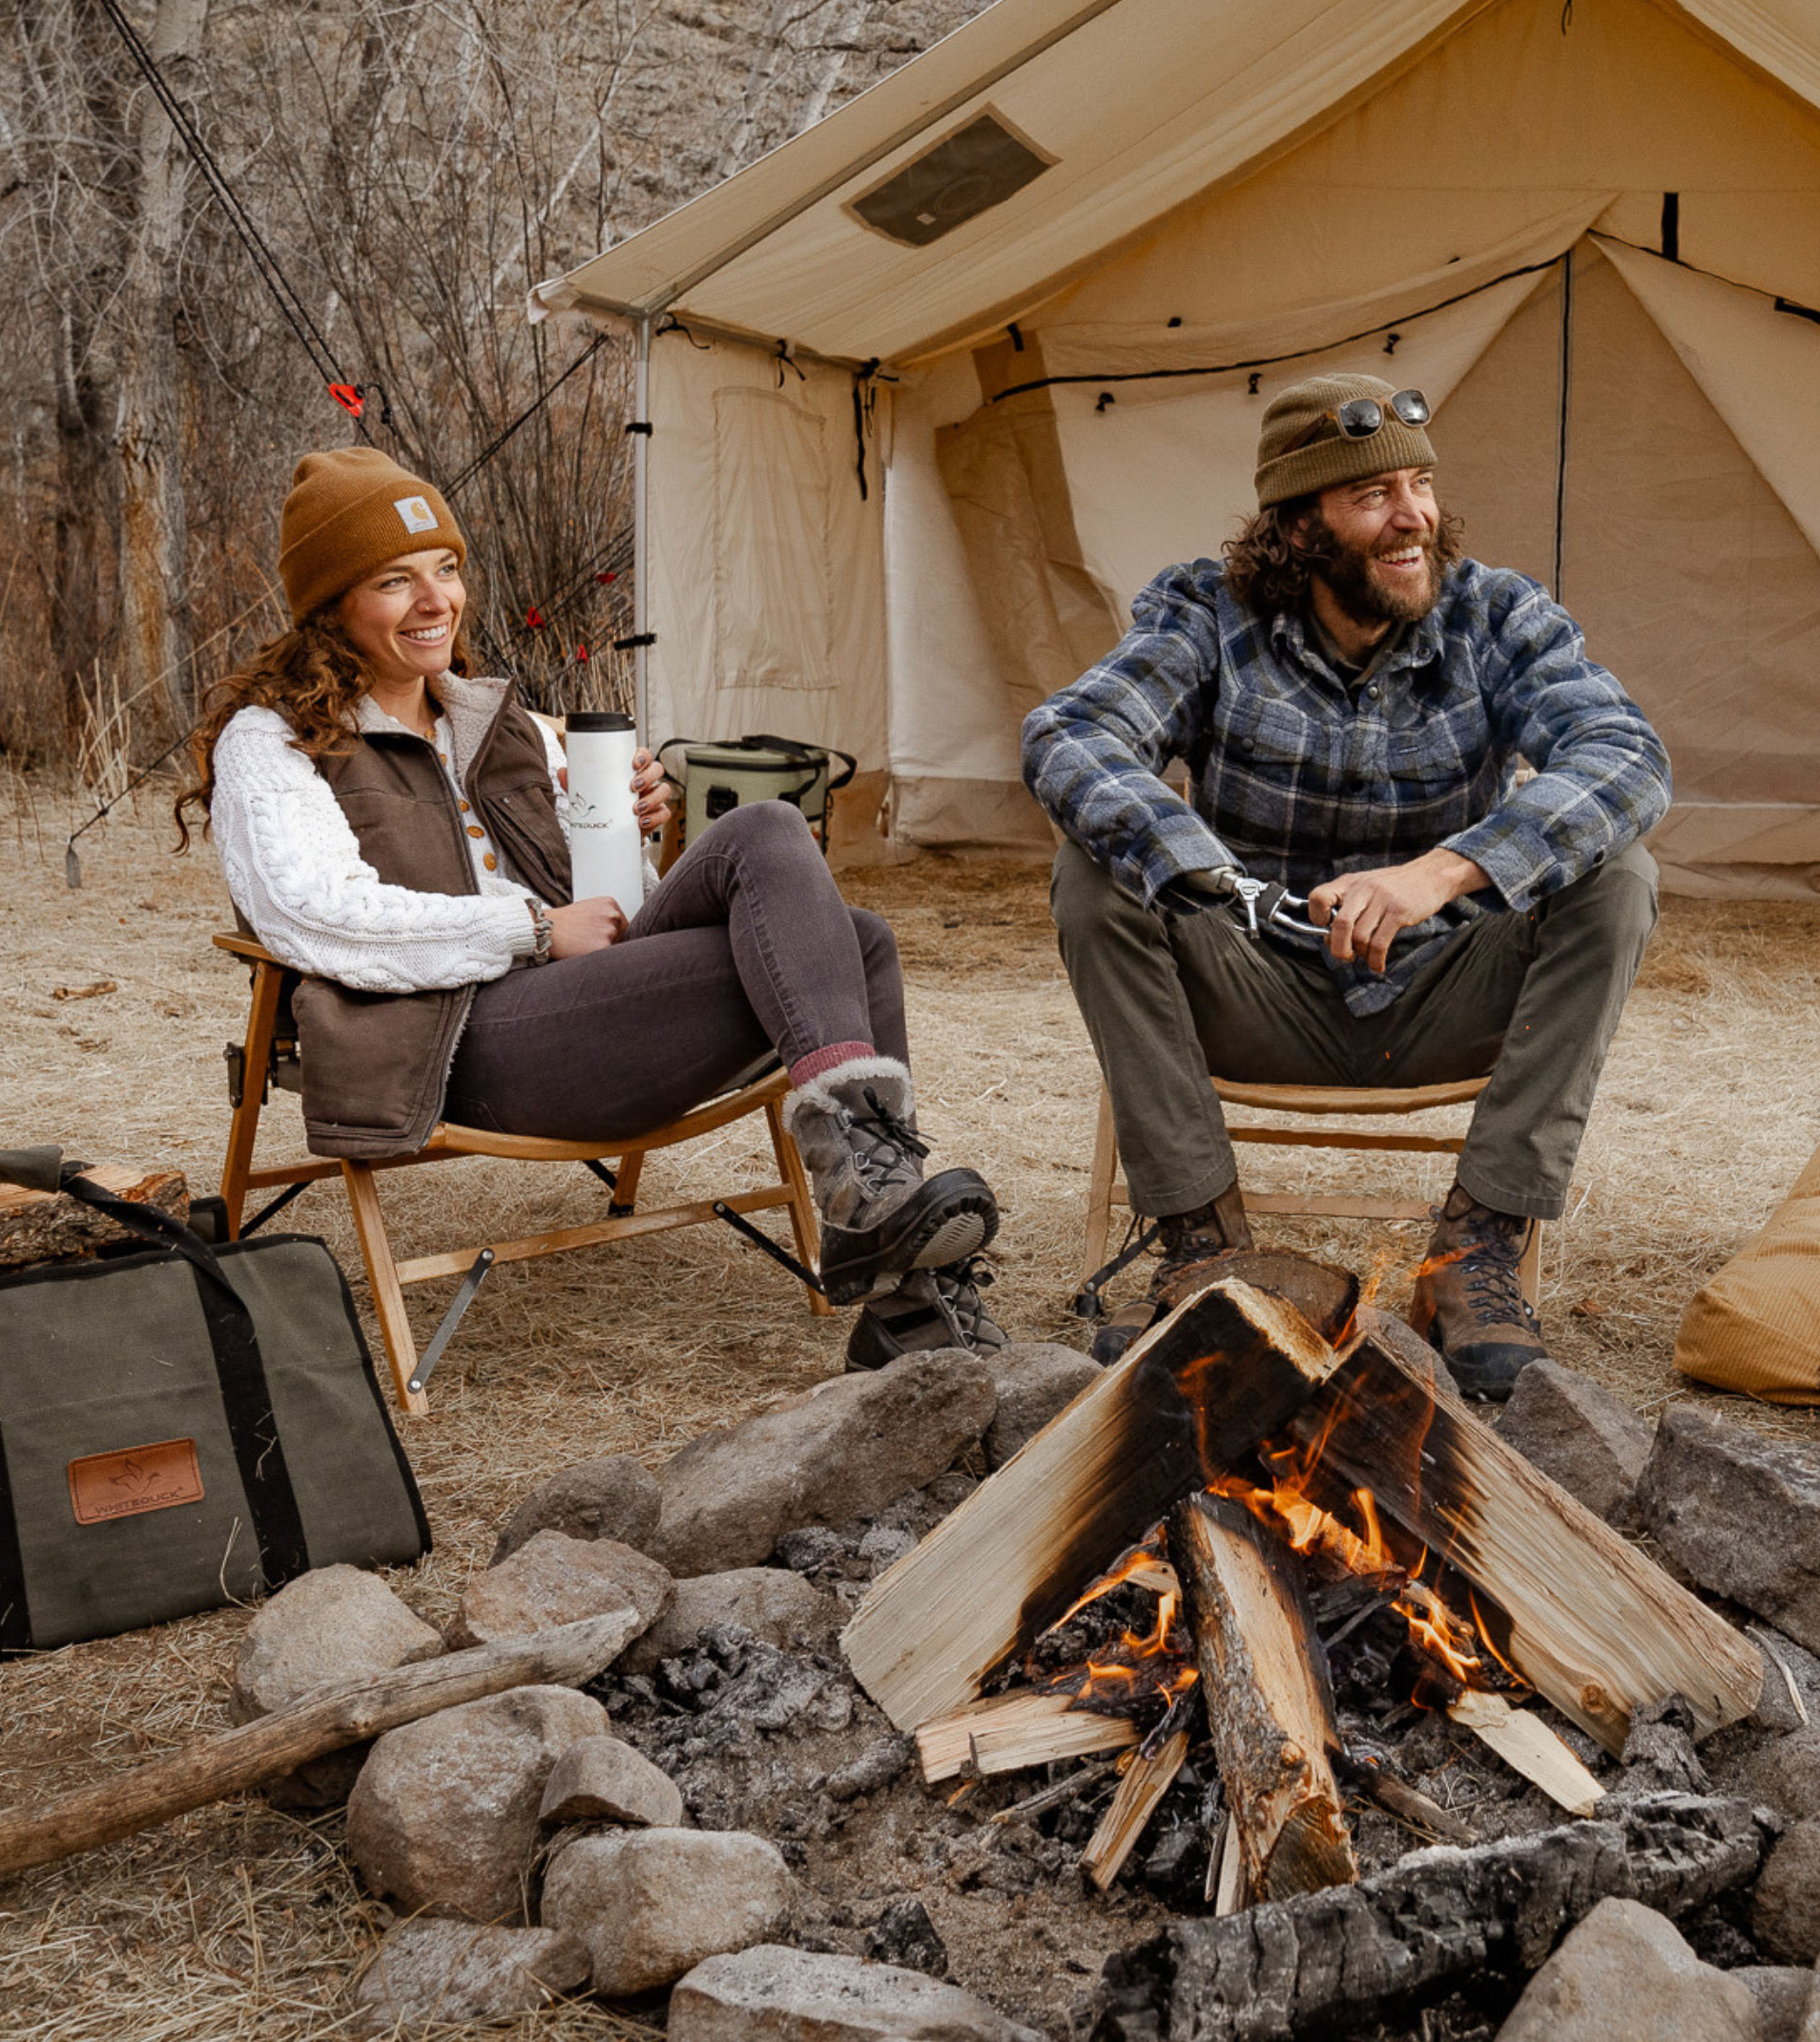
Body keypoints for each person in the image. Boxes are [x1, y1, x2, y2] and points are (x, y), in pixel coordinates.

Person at [176, 445, 1003, 1368]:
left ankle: (899, 1273)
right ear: (331, 605)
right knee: (836, 934)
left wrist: (628, 835)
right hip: (456, 1038)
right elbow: (316, 915)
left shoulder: (495, 723)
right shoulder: (274, 742)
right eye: (394, 580)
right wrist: (532, 929)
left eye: (446, 568)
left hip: (582, 1009)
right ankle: (878, 1224)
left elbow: (609, 909)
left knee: (826, 898)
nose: (436, 600)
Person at [1022, 374, 1668, 1398]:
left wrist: (1441, 873)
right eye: (1372, 496)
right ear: (1298, 527)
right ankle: (1202, 1248)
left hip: (1446, 993)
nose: (1413, 517)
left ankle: (1474, 1255)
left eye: (1420, 485)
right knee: (1092, 869)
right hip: (1253, 989)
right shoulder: (1206, 613)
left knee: (1619, 875)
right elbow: (1071, 732)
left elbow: (1627, 754)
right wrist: (1211, 876)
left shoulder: (1496, 615)